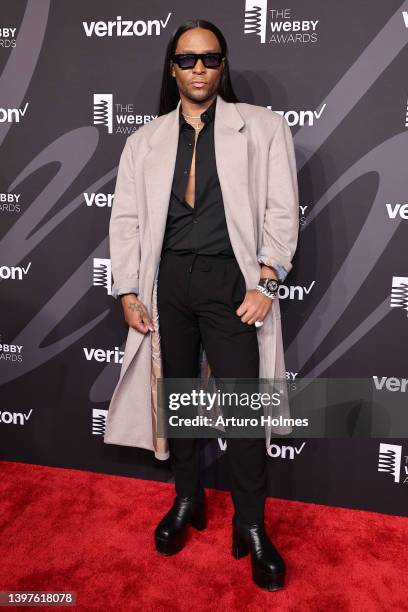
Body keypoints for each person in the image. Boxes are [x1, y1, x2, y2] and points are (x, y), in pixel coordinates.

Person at [108, 19, 299, 592]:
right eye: (188, 59)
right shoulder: (144, 140)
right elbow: (126, 219)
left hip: (230, 282)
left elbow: (282, 210)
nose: (198, 68)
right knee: (179, 398)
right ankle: (187, 498)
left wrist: (267, 281)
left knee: (242, 410)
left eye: (210, 59)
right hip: (167, 280)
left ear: (223, 66)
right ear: (173, 67)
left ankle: (252, 525)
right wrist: (127, 289)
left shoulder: (262, 128)